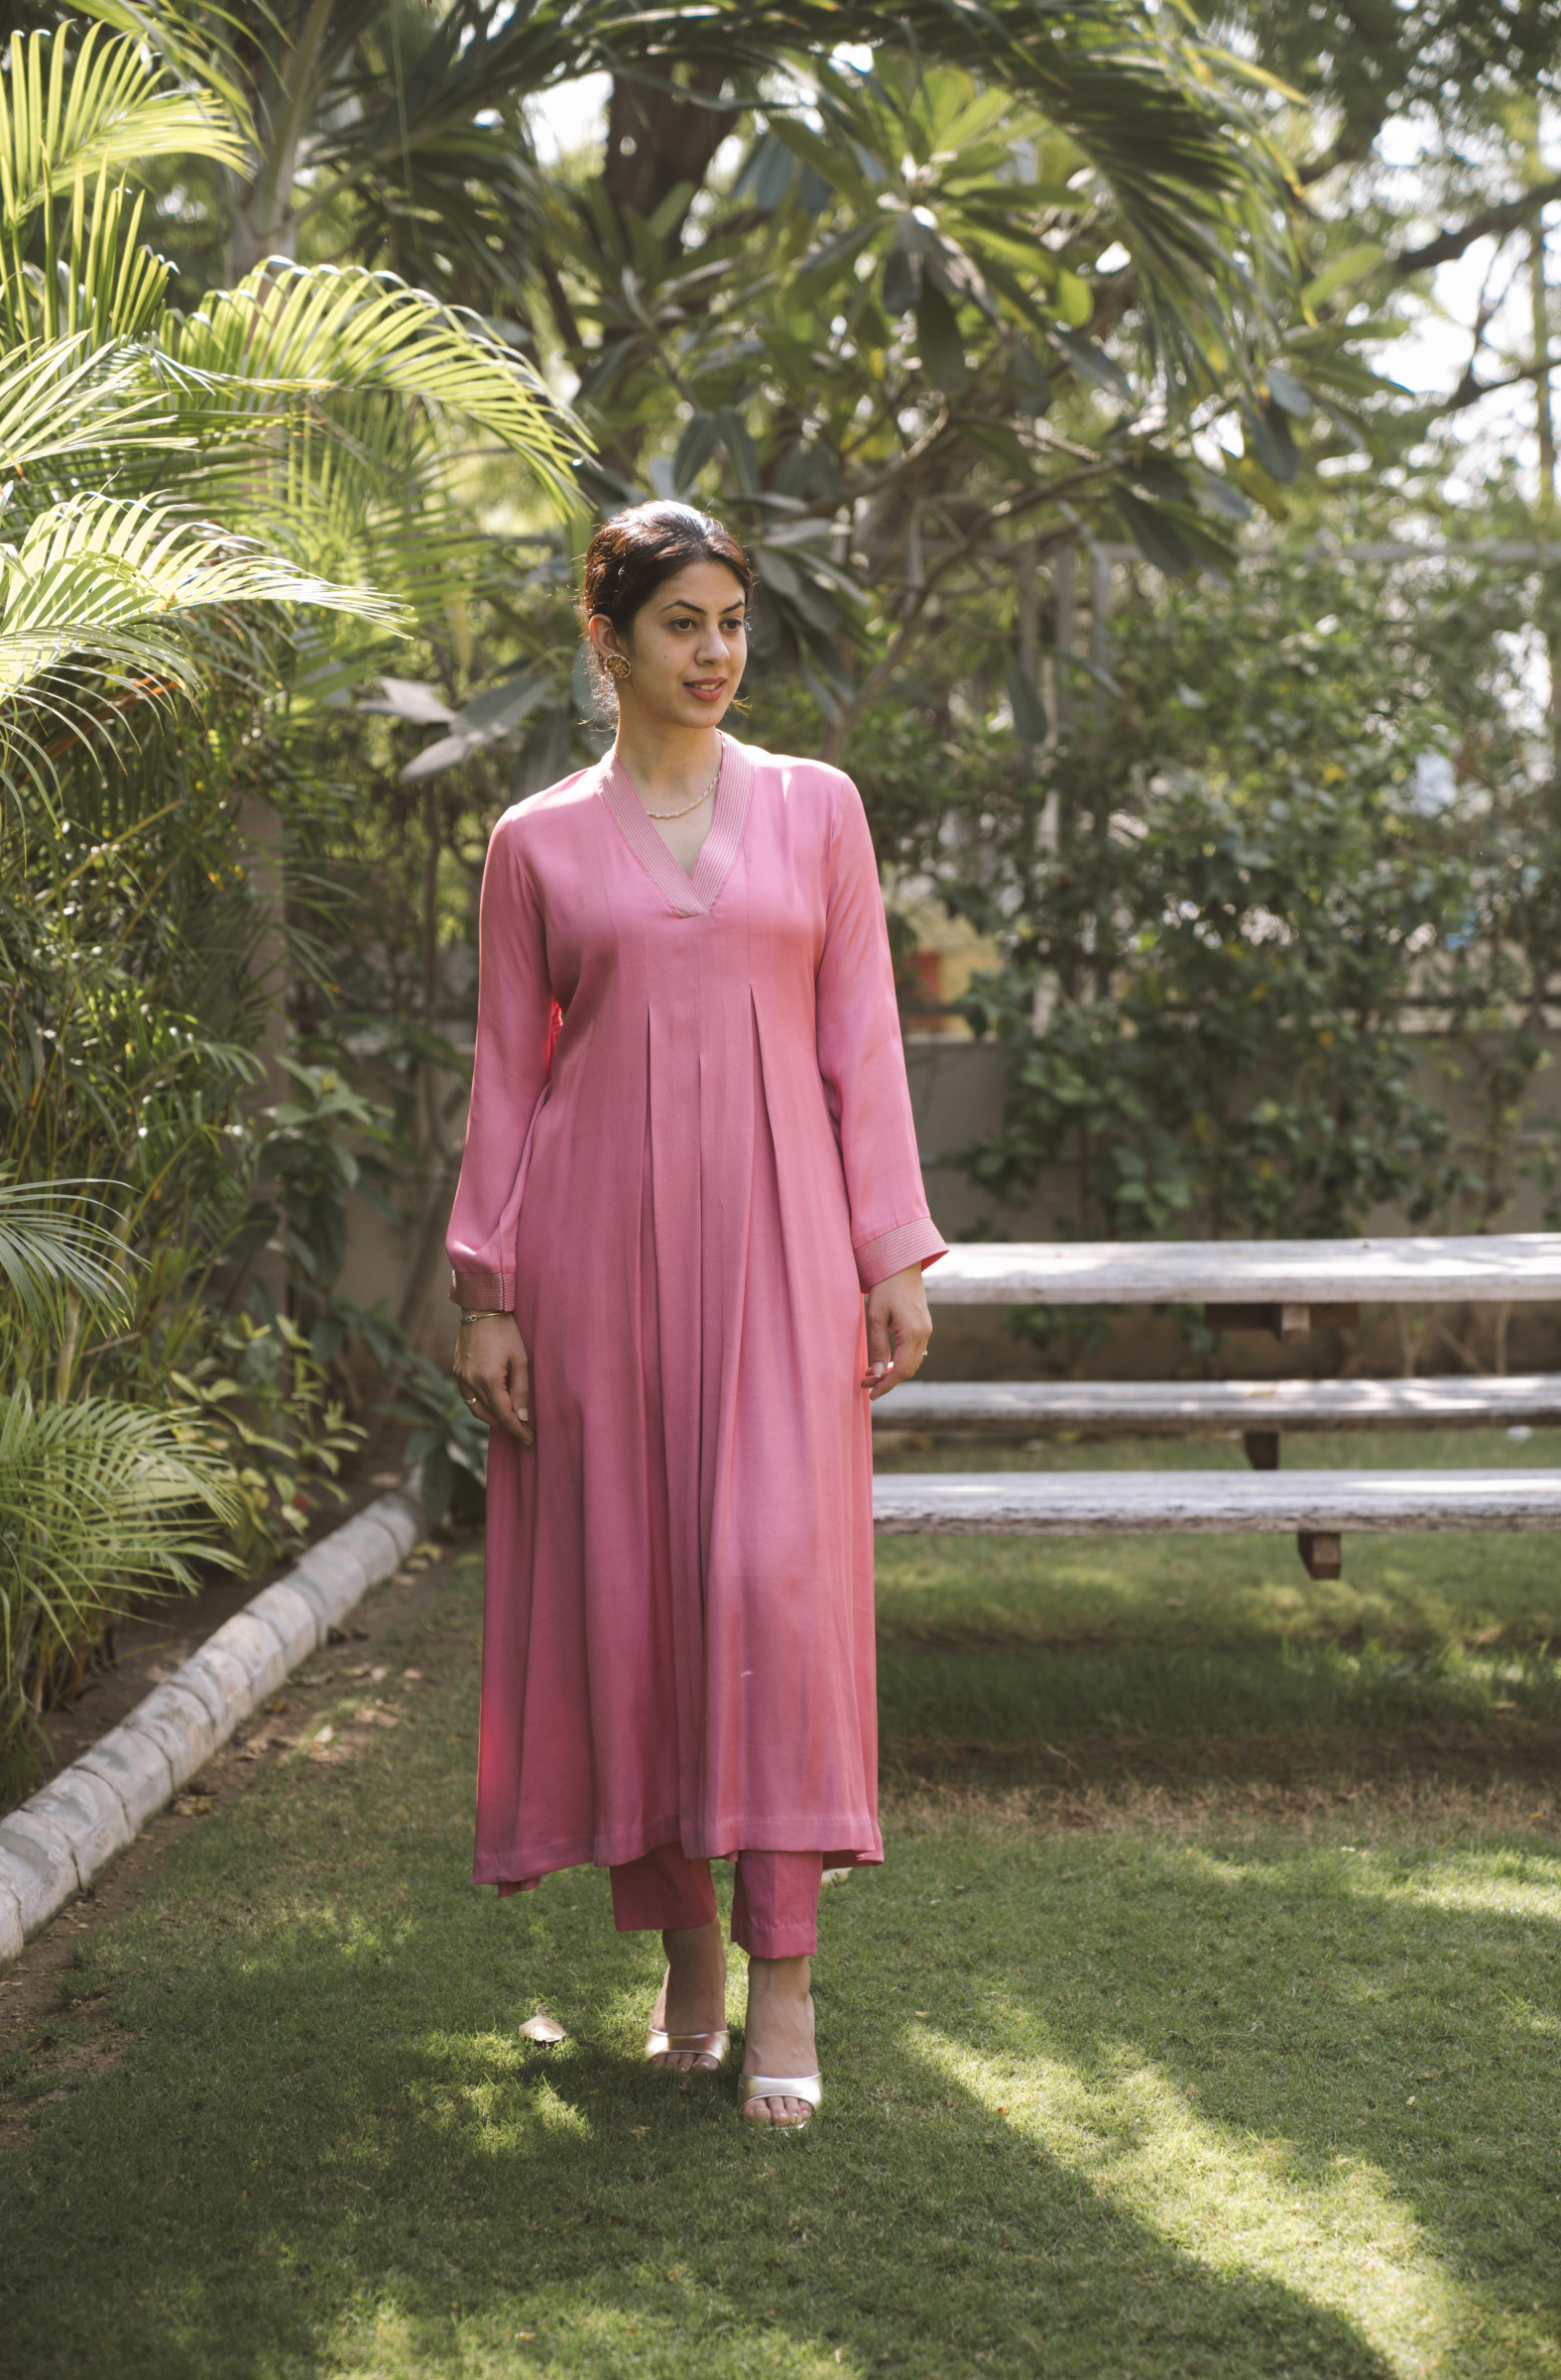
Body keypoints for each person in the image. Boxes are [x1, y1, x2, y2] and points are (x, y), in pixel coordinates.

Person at [448, 501, 945, 2128]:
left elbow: (863, 1035)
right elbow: (507, 1079)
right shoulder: (534, 843)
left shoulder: (817, 809)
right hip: (592, 1259)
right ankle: (683, 1964)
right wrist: (487, 1291)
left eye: (732, 619)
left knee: (769, 1591)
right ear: (608, 641)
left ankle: (783, 1970)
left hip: (783, 1249)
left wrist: (889, 1251)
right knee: (638, 1594)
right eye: (682, 622)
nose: (716, 650)